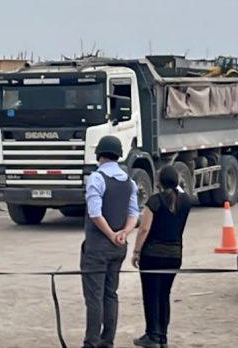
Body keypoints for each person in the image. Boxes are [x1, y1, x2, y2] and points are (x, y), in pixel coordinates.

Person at [81, 136, 139, 348]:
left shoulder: (97, 178)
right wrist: (123, 233)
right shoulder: (128, 181)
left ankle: (91, 342)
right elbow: (134, 213)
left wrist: (110, 234)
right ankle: (107, 341)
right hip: (119, 247)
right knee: (110, 294)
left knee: (94, 297)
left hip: (98, 246)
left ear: (99, 155)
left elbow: (95, 214)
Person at [131, 165, 191, 348]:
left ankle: (153, 334)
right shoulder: (186, 201)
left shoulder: (154, 201)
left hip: (153, 254)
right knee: (164, 294)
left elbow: (144, 229)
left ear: (159, 182)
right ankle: (163, 335)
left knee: (151, 295)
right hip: (174, 254)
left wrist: (136, 251)